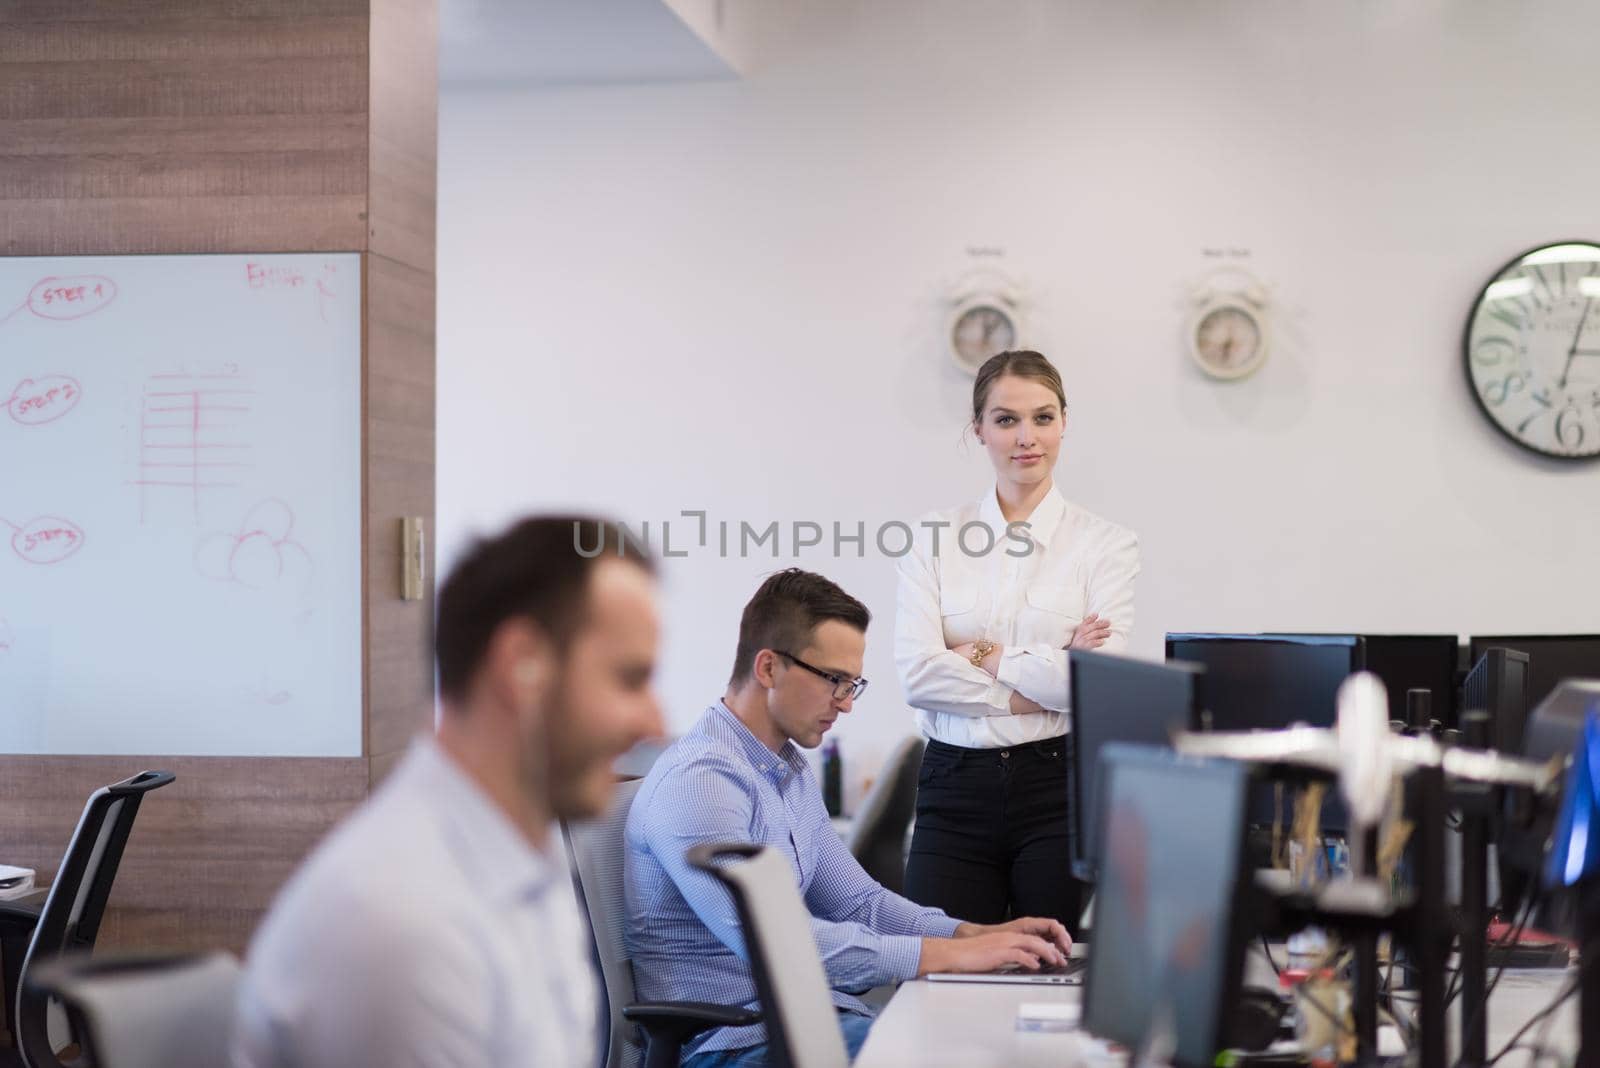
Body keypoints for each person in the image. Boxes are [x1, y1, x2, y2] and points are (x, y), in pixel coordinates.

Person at [233, 517, 664, 1068]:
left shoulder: (526, 852)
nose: (655, 721)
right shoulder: (402, 922)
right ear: (521, 666)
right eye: (629, 679)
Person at [625, 568, 1072, 1067]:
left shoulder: (785, 769)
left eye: (852, 684)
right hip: (733, 1045)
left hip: (808, 1022)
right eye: (834, 681)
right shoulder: (703, 781)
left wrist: (971, 934)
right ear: (769, 668)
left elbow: (860, 903)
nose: (845, 703)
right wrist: (946, 957)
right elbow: (781, 947)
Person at [896, 349, 1140, 935]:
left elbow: (1093, 683)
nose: (1026, 437)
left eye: (1043, 417)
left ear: (1063, 423)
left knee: (1050, 970)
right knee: (939, 970)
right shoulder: (933, 537)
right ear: (978, 429)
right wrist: (1041, 685)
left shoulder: (1105, 546)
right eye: (1006, 419)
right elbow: (917, 675)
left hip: (1056, 788)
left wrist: (979, 652)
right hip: (952, 786)